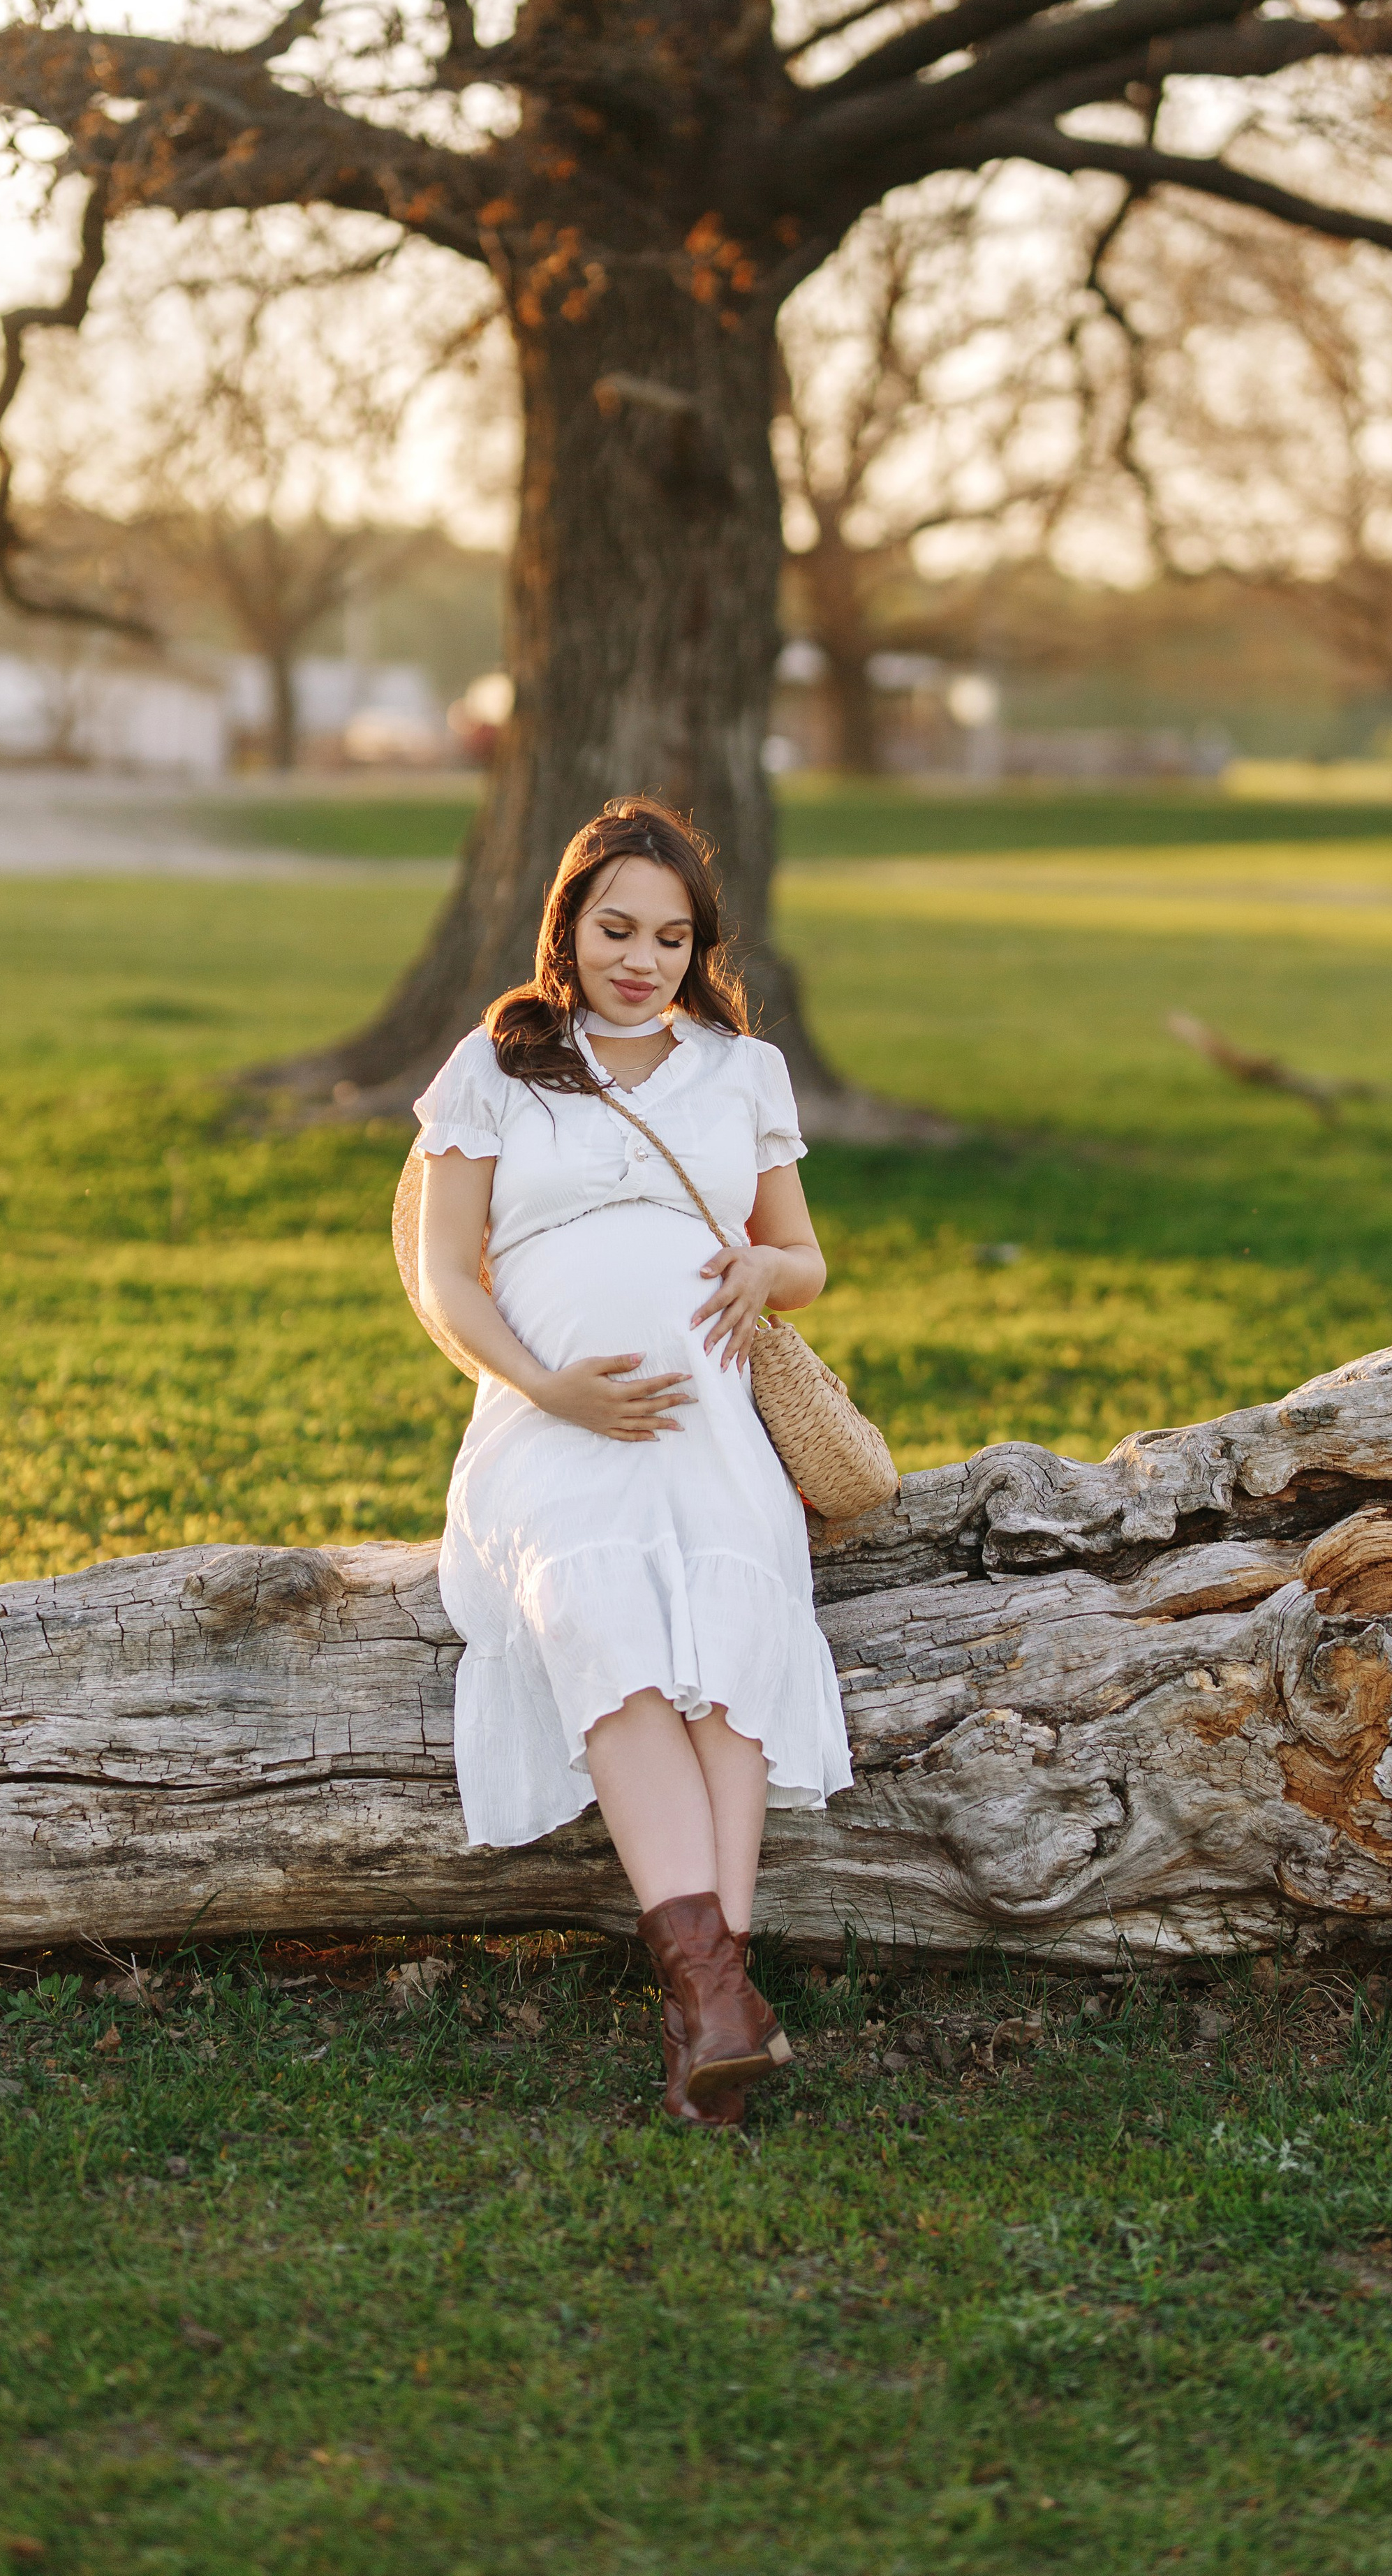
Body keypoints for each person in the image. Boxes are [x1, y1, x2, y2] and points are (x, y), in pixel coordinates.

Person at [412, 798, 852, 2126]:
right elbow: (444, 1278)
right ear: (568, 928)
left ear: (697, 948)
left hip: (711, 1430)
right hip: (552, 1428)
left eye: (670, 938)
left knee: (729, 1650)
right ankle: (719, 2000)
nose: (642, 960)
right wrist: (548, 1385)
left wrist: (767, 1267)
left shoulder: (742, 1072)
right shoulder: (497, 1065)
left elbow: (806, 1260)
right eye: (616, 930)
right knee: (601, 1617)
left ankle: (711, 2012)